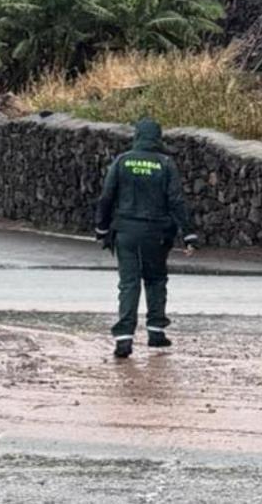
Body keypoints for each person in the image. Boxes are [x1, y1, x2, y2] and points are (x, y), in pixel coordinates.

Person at [95, 118, 198, 359]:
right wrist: (189, 234)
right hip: (157, 234)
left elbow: (107, 197)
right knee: (155, 280)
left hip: (125, 232)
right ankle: (156, 332)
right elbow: (176, 201)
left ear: (137, 136)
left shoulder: (122, 161)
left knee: (129, 283)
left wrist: (101, 228)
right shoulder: (165, 163)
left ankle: (124, 339)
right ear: (158, 137)